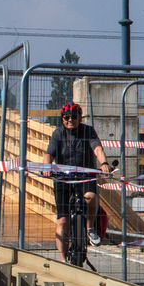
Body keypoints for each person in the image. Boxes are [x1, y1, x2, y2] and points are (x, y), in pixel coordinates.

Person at [44, 102, 112, 261]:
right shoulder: (58, 134)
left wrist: (104, 163)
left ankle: (89, 229)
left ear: (80, 117)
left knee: (91, 197)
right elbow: (49, 154)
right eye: (66, 117)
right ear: (62, 119)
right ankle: (62, 260)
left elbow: (97, 149)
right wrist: (47, 167)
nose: (70, 120)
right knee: (62, 221)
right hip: (63, 179)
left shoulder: (88, 131)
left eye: (74, 117)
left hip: (85, 176)